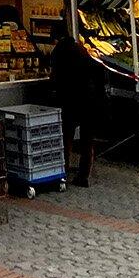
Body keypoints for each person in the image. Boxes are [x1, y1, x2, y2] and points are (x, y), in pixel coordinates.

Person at [48, 33, 103, 186]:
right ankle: (84, 176)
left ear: (56, 40)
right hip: (90, 99)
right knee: (87, 140)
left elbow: (55, 76)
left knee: (66, 137)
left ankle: (63, 172)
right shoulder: (82, 50)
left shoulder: (58, 51)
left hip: (70, 100)